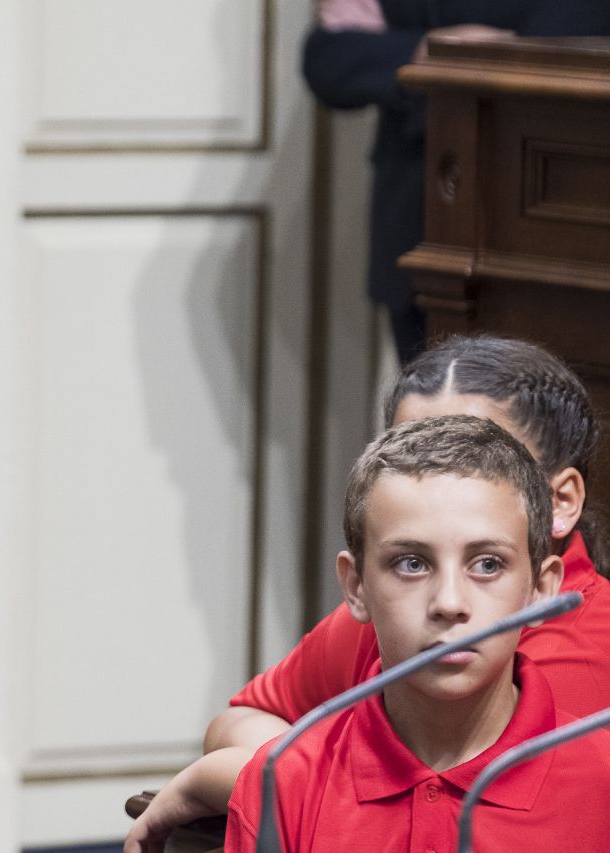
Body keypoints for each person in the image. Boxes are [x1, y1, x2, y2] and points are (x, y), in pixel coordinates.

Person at [125, 335, 610, 852]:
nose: (449, 601)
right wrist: (298, 782)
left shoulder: (583, 694)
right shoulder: (389, 613)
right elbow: (242, 719)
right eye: (414, 447)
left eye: (478, 451)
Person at [225, 415, 610, 851]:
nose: (449, 602)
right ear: (356, 587)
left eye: (487, 564)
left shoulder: (602, 781)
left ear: (541, 590)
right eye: (412, 563)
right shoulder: (286, 782)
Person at [301, 0, 610, 363]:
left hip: (561, 229)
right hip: (416, 227)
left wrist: (468, 62)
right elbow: (328, 57)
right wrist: (428, 50)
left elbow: (567, 42)